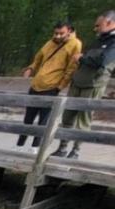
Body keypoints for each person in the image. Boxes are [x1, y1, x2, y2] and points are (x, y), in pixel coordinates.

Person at [53, 10, 115, 159]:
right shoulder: (98, 40)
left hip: (93, 85)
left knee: (84, 119)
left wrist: (81, 59)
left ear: (110, 23)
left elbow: (101, 62)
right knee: (67, 117)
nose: (95, 29)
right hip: (78, 82)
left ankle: (76, 151)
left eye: (98, 25)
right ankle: (62, 148)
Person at [17, 21, 81, 148]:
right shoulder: (50, 43)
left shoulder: (75, 44)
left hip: (51, 86)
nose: (57, 36)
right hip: (36, 84)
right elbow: (38, 59)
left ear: (69, 31)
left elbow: (71, 68)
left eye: (61, 33)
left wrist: (60, 86)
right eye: (56, 33)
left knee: (43, 121)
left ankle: (35, 147)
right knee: (28, 119)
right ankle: (20, 145)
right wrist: (31, 68)